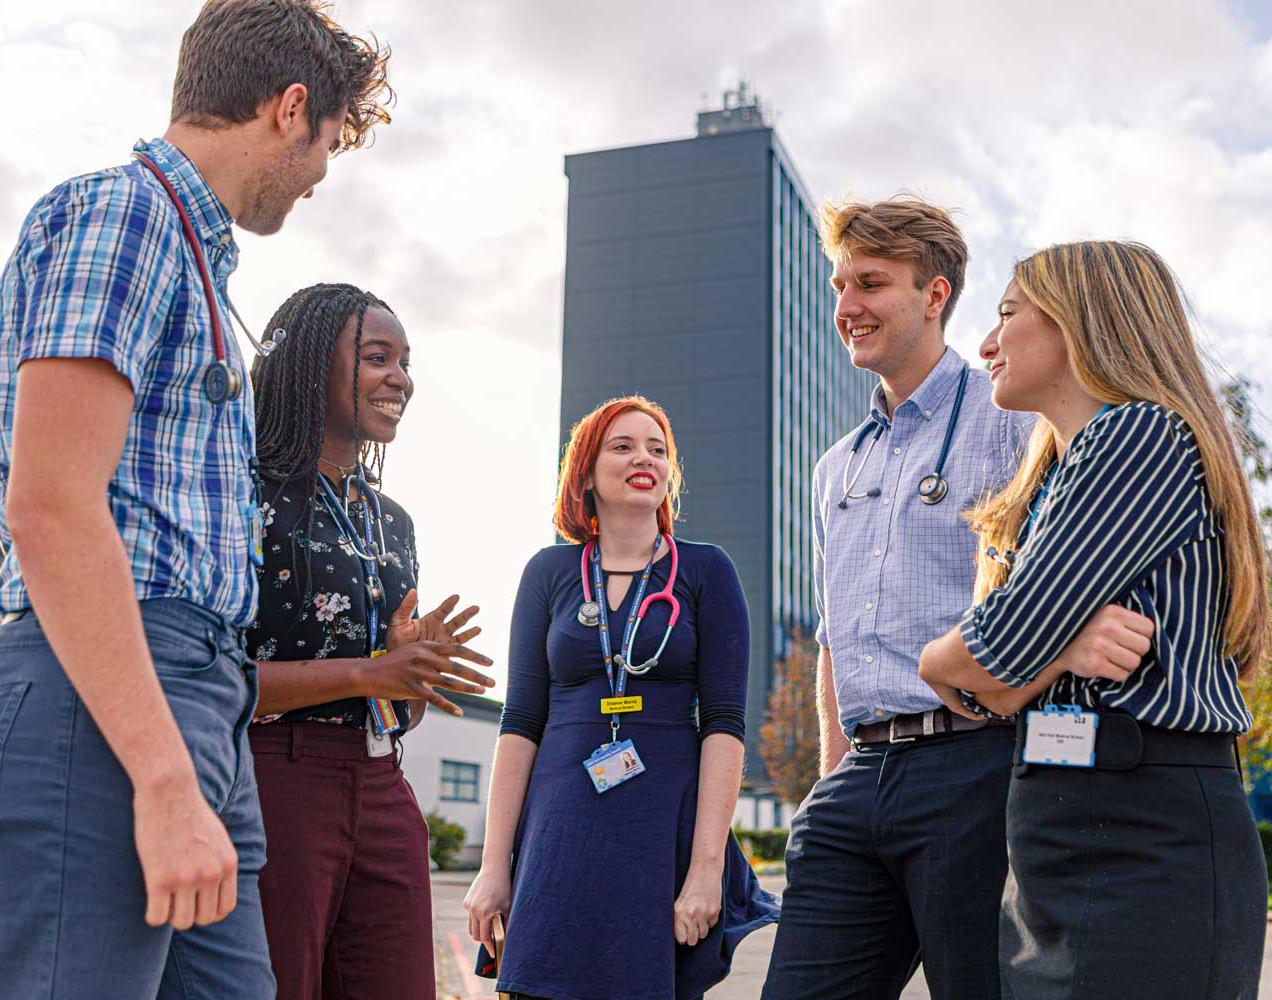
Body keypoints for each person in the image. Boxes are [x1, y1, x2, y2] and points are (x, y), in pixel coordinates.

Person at [0, 3, 391, 997]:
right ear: (290, 108)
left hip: (204, 694)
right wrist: (164, 774)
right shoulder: (124, 215)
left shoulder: (201, 273)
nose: (319, 177)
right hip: (112, 688)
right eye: (329, 147)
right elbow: (48, 507)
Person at [916, 240, 1269, 999]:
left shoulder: (1137, 435)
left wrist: (958, 664)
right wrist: (1049, 651)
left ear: (1080, 322)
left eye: (1007, 313)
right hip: (1057, 814)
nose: (984, 345)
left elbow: (986, 657)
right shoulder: (1047, 481)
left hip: (1143, 828)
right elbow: (995, 680)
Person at [760, 198, 1035, 1000]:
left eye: (871, 284)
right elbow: (833, 640)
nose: (847, 307)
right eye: (841, 285)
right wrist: (826, 786)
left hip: (976, 769)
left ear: (936, 294)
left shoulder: (1009, 416)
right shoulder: (832, 468)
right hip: (858, 782)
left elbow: (1048, 591)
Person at [464, 395, 778, 1000]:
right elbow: (520, 721)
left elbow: (723, 723)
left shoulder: (707, 571)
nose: (645, 459)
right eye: (624, 446)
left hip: (660, 828)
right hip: (558, 826)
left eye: (658, 449)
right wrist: (493, 864)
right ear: (585, 472)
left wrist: (706, 870)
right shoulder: (547, 573)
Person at [244, 283, 496, 998]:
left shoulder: (393, 521)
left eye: (406, 362)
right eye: (377, 357)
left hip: (384, 782)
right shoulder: (242, 492)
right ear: (312, 365)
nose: (401, 380)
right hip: (273, 781)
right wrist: (370, 672)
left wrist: (411, 674)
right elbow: (207, 680)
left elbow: (395, 704)